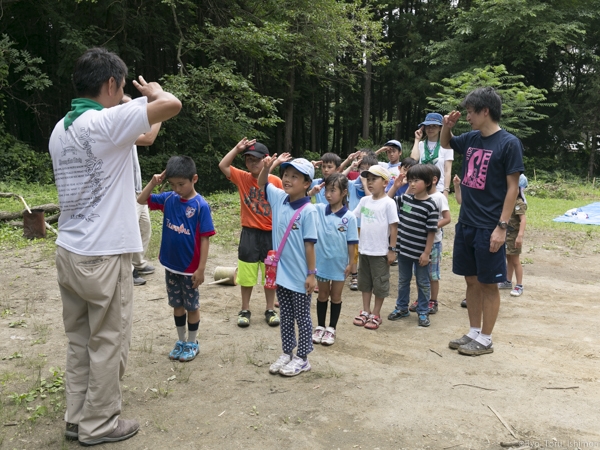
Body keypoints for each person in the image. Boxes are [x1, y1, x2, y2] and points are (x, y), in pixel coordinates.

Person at [49, 47, 181, 445]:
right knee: (108, 341)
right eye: (120, 87)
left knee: (79, 341)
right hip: (104, 255)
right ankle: (101, 424)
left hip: (69, 250)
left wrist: (125, 99)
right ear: (111, 85)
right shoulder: (106, 122)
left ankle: (77, 418)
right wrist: (151, 91)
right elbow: (171, 105)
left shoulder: (62, 127)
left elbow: (145, 134)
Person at [442, 87, 524, 356]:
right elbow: (446, 144)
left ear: (485, 111)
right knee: (471, 281)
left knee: (489, 283)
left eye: (470, 111)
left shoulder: (508, 143)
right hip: (467, 222)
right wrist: (447, 127)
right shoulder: (471, 138)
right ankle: (473, 332)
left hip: (490, 226)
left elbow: (513, 189)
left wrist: (502, 227)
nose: (467, 116)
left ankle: (486, 339)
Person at [137, 156, 215, 364]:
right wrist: (154, 183)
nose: (177, 189)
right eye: (172, 184)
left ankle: (192, 342)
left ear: (194, 179)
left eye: (181, 184)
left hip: (190, 269)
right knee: (177, 304)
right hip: (171, 266)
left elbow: (205, 238)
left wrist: (201, 269)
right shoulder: (169, 199)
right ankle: (180, 341)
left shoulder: (200, 206)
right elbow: (141, 200)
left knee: (192, 306)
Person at [258, 157, 318, 377]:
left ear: (306, 184)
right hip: (280, 275)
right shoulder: (279, 199)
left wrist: (312, 274)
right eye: (286, 175)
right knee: (286, 316)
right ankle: (287, 353)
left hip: (300, 276)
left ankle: (303, 358)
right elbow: (262, 183)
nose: (288, 179)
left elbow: (310, 246)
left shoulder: (308, 211)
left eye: (295, 176)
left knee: (302, 317)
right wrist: (267, 167)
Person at [218, 138, 286, 328]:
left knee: (270, 275)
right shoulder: (242, 177)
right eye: (248, 159)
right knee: (247, 275)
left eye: (256, 159)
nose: (252, 163)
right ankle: (245, 309)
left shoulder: (275, 181)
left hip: (271, 235)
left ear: (265, 159)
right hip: (249, 234)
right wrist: (237, 149)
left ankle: (270, 309)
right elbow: (223, 165)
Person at [386, 165, 438, 327]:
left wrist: (426, 253)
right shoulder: (405, 199)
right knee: (403, 280)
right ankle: (402, 307)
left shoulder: (431, 205)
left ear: (428, 182)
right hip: (404, 251)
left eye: (416, 181)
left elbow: (431, 231)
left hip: (420, 253)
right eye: (410, 181)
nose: (412, 184)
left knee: (422, 282)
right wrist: (396, 187)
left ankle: (423, 311)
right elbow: (387, 202)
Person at [312, 173, 359, 346]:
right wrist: (312, 191)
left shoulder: (350, 217)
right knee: (322, 294)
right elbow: (302, 203)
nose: (328, 194)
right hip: (322, 263)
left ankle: (331, 328)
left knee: (336, 296)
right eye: (326, 190)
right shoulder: (318, 210)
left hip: (339, 265)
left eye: (333, 190)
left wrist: (351, 264)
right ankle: (320, 326)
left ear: (344, 192)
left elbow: (352, 243)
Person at [121, 93, 162, 286]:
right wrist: (161, 111)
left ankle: (138, 263)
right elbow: (149, 138)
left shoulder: (128, 130)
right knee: (129, 230)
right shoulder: (120, 129)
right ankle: (127, 271)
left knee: (144, 227)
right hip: (126, 190)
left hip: (137, 188)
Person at [352, 165, 399, 330]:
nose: (370, 183)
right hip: (364, 249)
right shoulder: (364, 201)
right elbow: (353, 216)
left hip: (380, 252)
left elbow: (394, 228)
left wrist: (392, 250)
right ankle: (366, 310)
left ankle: (376, 314)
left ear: (385, 182)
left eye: (374, 179)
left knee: (380, 284)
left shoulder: (389, 203)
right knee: (365, 283)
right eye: (368, 179)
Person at [407, 165, 451, 314]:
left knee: (432, 274)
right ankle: (421, 298)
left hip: (434, 243)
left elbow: (447, 219)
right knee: (419, 273)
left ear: (432, 180)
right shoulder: (417, 196)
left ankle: (433, 300)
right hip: (418, 242)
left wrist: (431, 225)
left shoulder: (439, 197)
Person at [344, 153, 378, 290]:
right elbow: (339, 177)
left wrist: (365, 184)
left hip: (370, 226)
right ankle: (354, 275)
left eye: (369, 170)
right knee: (354, 252)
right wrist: (351, 164)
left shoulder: (376, 188)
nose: (365, 173)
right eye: (362, 169)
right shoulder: (352, 185)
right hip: (355, 225)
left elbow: (372, 201)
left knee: (368, 251)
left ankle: (368, 276)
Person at [411, 112, 454, 196]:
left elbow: (447, 171)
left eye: (434, 126)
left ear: (440, 128)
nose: (430, 129)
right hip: (421, 188)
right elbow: (413, 160)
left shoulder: (447, 146)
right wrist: (417, 140)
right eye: (428, 126)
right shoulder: (421, 144)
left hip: (438, 189)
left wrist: (446, 191)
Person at [504, 174, 528, 297]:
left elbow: (523, 220)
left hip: (514, 235)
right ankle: (508, 281)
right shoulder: (509, 201)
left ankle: (519, 285)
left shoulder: (518, 203)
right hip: (507, 235)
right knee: (508, 258)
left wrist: (520, 236)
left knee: (515, 260)